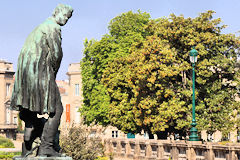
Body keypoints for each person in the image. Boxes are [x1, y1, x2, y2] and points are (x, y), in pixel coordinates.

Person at [10, 4, 73, 157]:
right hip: (40, 72)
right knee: (57, 110)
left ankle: (31, 126)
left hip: (25, 75)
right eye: (65, 16)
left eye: (68, 18)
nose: (65, 20)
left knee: (29, 108)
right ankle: (46, 147)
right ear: (57, 13)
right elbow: (56, 55)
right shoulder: (53, 28)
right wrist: (53, 74)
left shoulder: (39, 28)